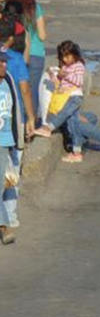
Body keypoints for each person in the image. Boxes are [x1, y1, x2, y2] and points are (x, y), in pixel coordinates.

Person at [10, 0, 45, 125]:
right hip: (36, 54)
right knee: (32, 91)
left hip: (15, 53)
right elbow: (43, 36)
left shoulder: (10, 7)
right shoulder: (36, 8)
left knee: (17, 90)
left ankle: (18, 124)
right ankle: (31, 125)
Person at [32, 40, 85, 138]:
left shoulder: (78, 66)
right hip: (63, 96)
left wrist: (65, 75)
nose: (65, 60)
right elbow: (59, 82)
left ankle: (48, 128)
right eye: (63, 57)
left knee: (64, 114)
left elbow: (79, 81)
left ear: (74, 55)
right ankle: (76, 147)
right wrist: (53, 75)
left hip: (74, 96)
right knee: (71, 120)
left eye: (67, 57)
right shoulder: (65, 66)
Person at [0, 53, 26, 245]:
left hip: (6, 140)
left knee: (4, 184)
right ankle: (3, 226)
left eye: (3, 61)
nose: (3, 64)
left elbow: (16, 108)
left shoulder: (8, 79)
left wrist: (19, 140)